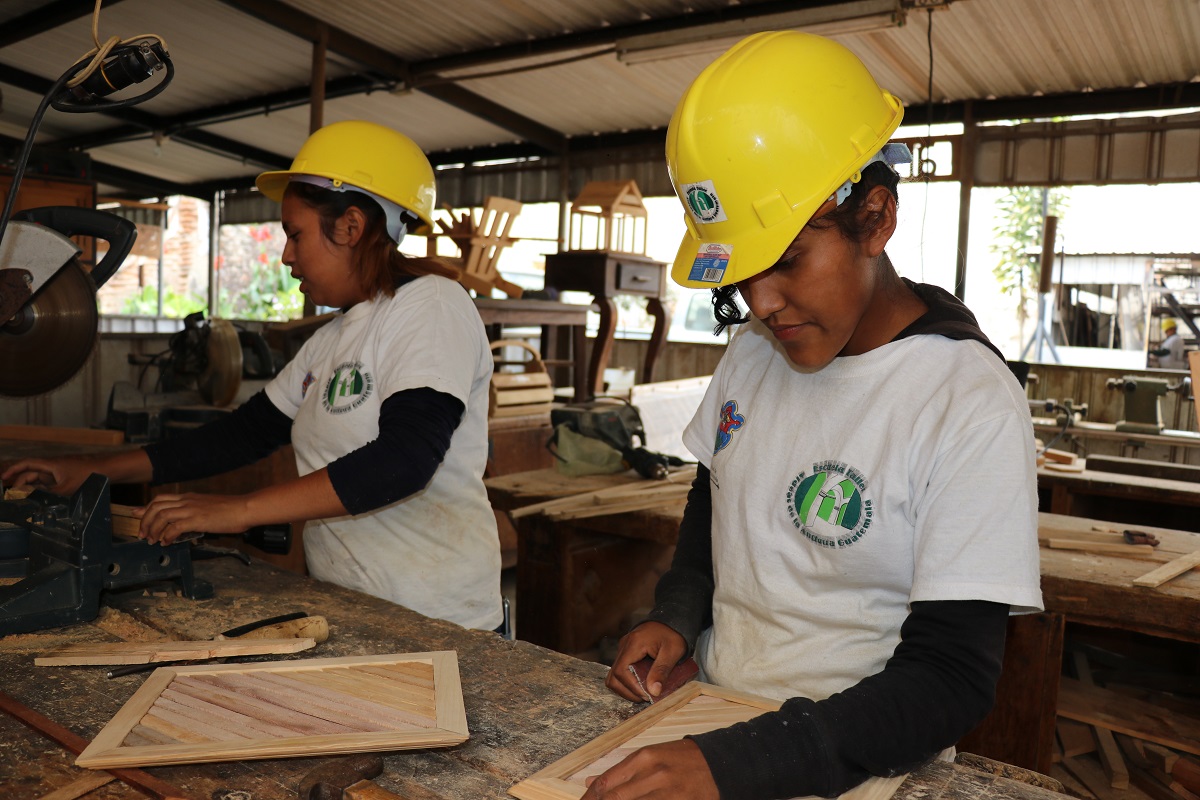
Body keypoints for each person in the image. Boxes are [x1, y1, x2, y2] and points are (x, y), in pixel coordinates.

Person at [585, 32, 1043, 800]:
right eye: (740, 276)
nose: (761, 304)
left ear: (874, 217)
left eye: (788, 260)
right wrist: (678, 611)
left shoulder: (964, 399)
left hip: (864, 765)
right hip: (713, 722)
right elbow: (715, 496)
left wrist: (738, 764)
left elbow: (952, 677)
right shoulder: (754, 355)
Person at [1, 120, 503, 632]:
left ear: (350, 226)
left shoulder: (431, 305)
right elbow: (238, 438)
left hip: (442, 620)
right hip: (356, 608)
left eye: (295, 234)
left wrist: (239, 510)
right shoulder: (329, 341)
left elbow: (404, 460)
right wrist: (89, 471)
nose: (286, 255)